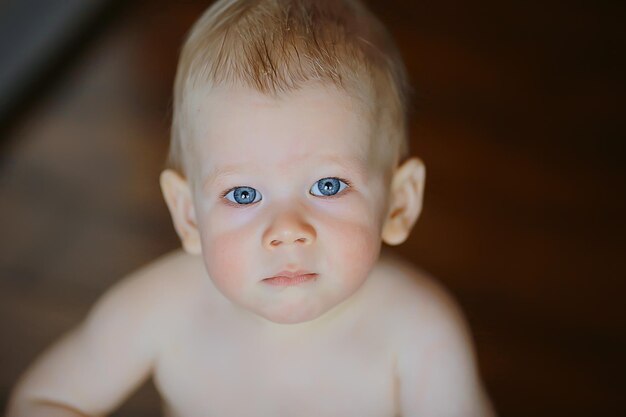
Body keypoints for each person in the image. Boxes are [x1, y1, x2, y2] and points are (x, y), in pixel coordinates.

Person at [7, 0, 495, 416]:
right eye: (243, 194)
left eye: (328, 185)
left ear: (400, 203)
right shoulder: (161, 309)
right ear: (189, 214)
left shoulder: (417, 333)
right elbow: (40, 400)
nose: (286, 230)